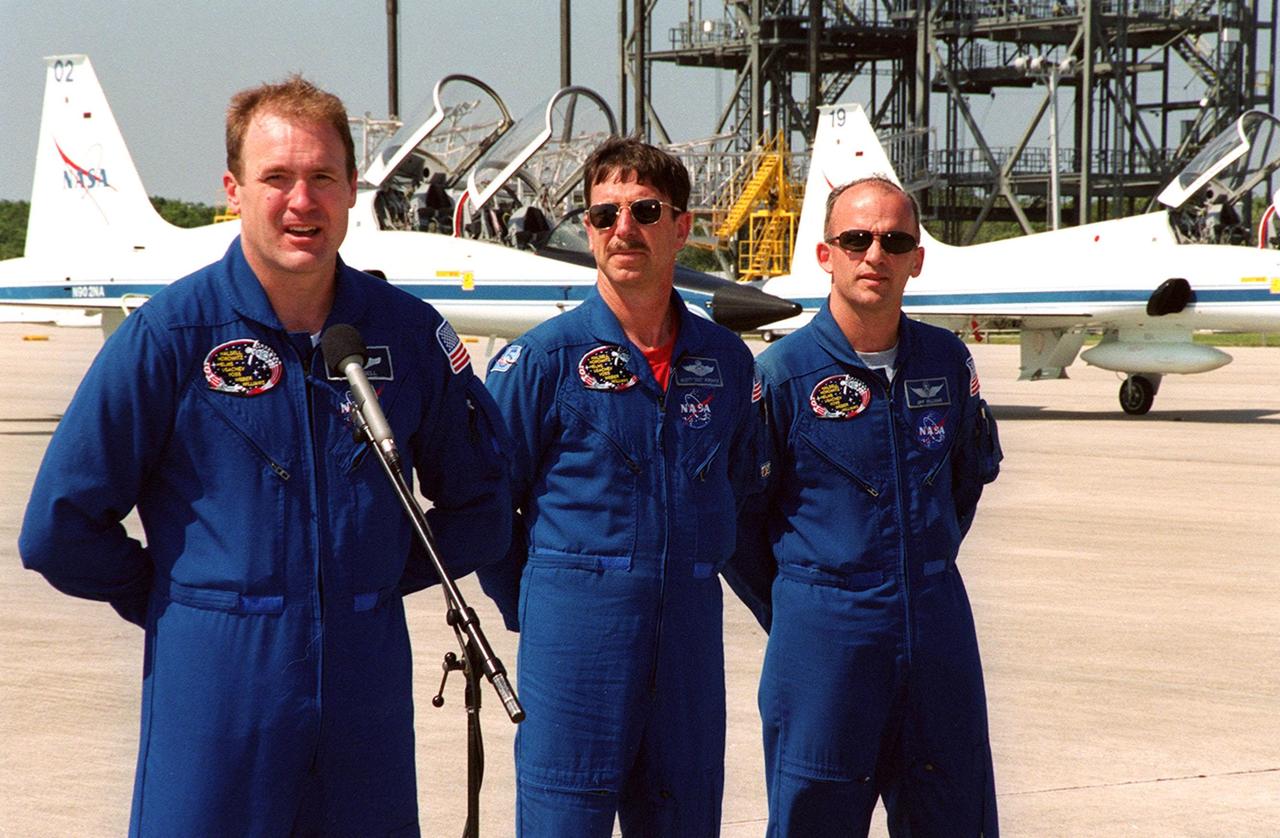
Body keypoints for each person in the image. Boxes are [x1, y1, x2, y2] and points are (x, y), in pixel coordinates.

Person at [18, 76, 511, 835]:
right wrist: (177, 597)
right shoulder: (172, 337)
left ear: (351, 190)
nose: (301, 201)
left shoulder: (408, 336)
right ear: (234, 190)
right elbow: (58, 528)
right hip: (217, 687)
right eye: (276, 178)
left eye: (321, 177)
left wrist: (365, 576)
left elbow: (481, 507)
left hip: (363, 688)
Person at [478, 137, 763, 836]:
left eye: (644, 210)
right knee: (562, 821)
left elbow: (740, 490)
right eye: (604, 215)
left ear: (681, 226)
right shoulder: (542, 362)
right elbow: (489, 509)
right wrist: (544, 606)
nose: (622, 230)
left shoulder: (726, 362)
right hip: (575, 642)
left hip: (689, 642)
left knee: (685, 819)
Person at [728, 176, 1003, 836]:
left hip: (936, 632)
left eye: (894, 240)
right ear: (826, 255)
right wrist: (805, 605)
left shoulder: (946, 361)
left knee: (954, 814)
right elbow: (737, 526)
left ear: (917, 257)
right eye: (856, 239)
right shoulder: (783, 376)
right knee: (814, 817)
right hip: (826, 646)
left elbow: (962, 485)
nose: (874, 254)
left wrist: (916, 570)